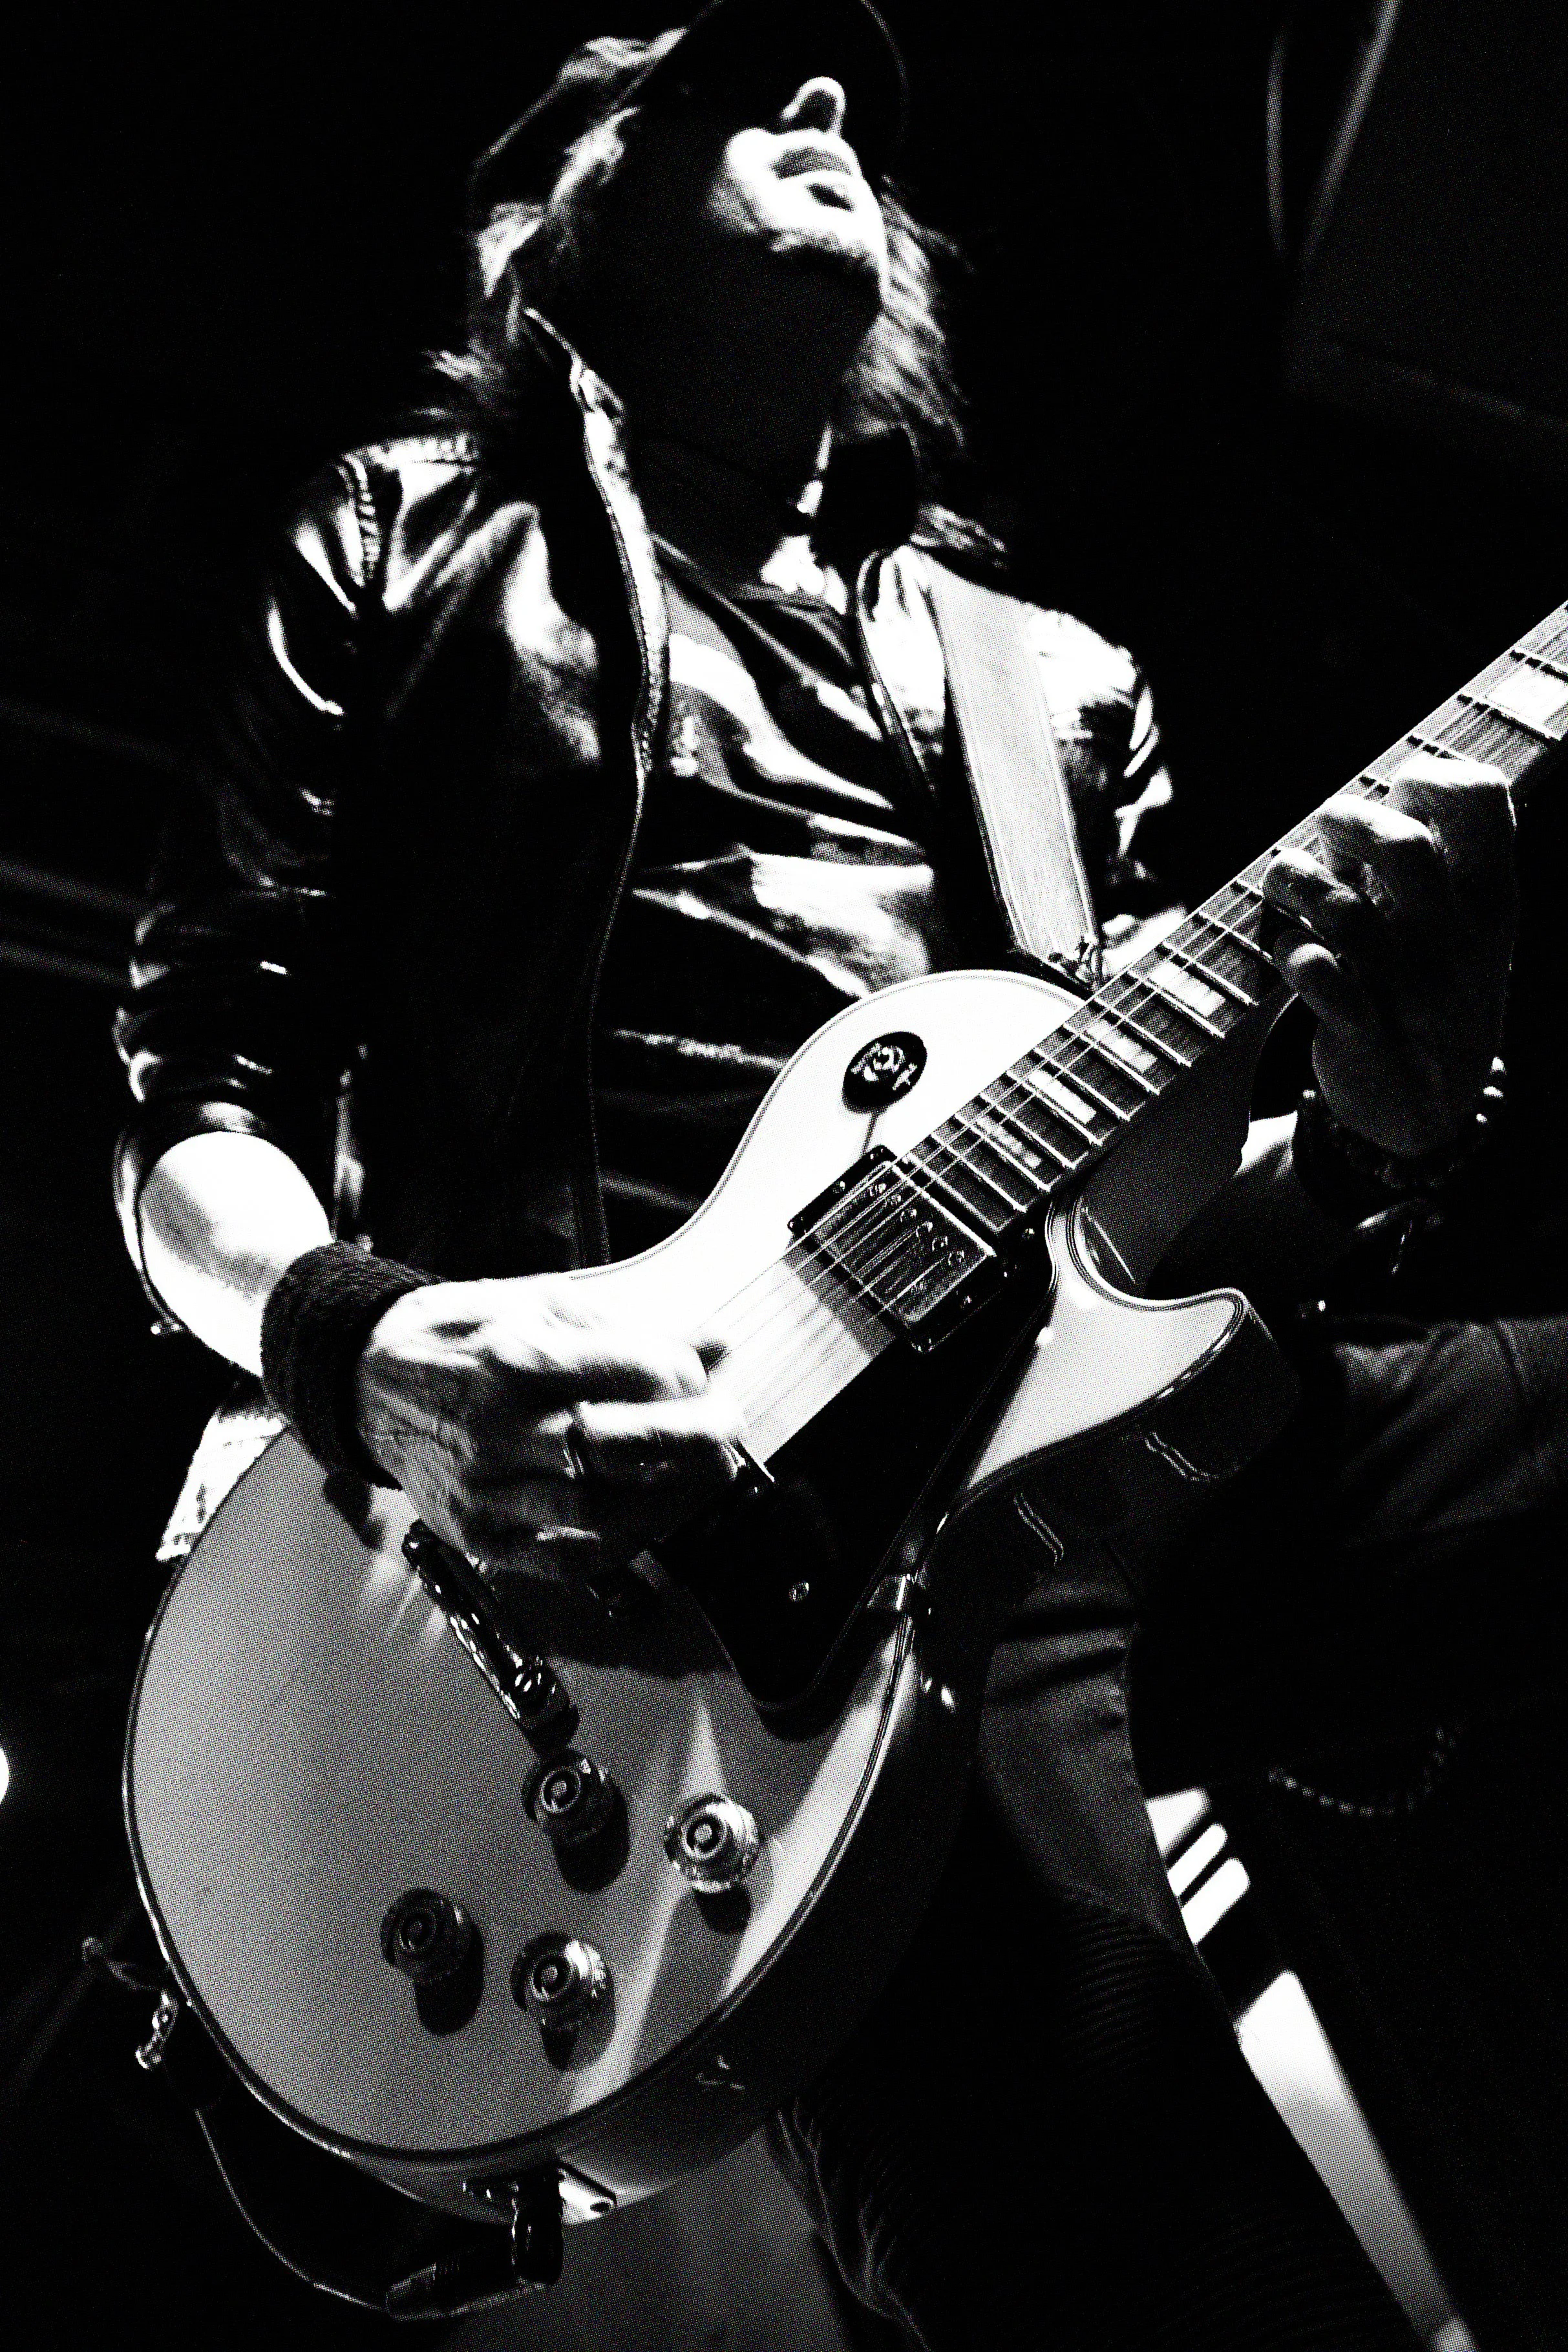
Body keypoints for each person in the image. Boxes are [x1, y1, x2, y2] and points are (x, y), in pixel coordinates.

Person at [113, 3, 1563, 2343]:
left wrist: (1389, 1128)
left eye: (850, 106)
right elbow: (197, 1102)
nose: (828, 112)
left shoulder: (1052, 676)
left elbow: (1181, 1232)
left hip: (1083, 1442)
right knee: (1130, 2231)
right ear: (562, 209)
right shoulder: (404, 536)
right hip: (702, 1588)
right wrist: (369, 1345)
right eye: (737, 83)